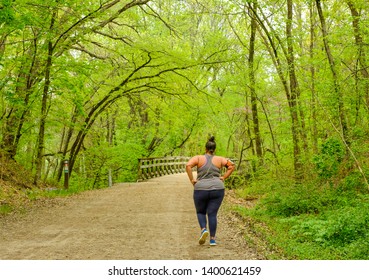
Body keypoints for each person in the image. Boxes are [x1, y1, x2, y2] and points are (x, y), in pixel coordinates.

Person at [185, 136, 235, 246]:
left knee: (200, 212)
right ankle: (212, 239)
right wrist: (223, 177)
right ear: (214, 149)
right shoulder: (220, 159)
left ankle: (203, 229)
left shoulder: (198, 158)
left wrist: (192, 180)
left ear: (205, 148)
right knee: (212, 214)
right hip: (218, 188)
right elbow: (231, 166)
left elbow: (188, 165)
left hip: (201, 188)